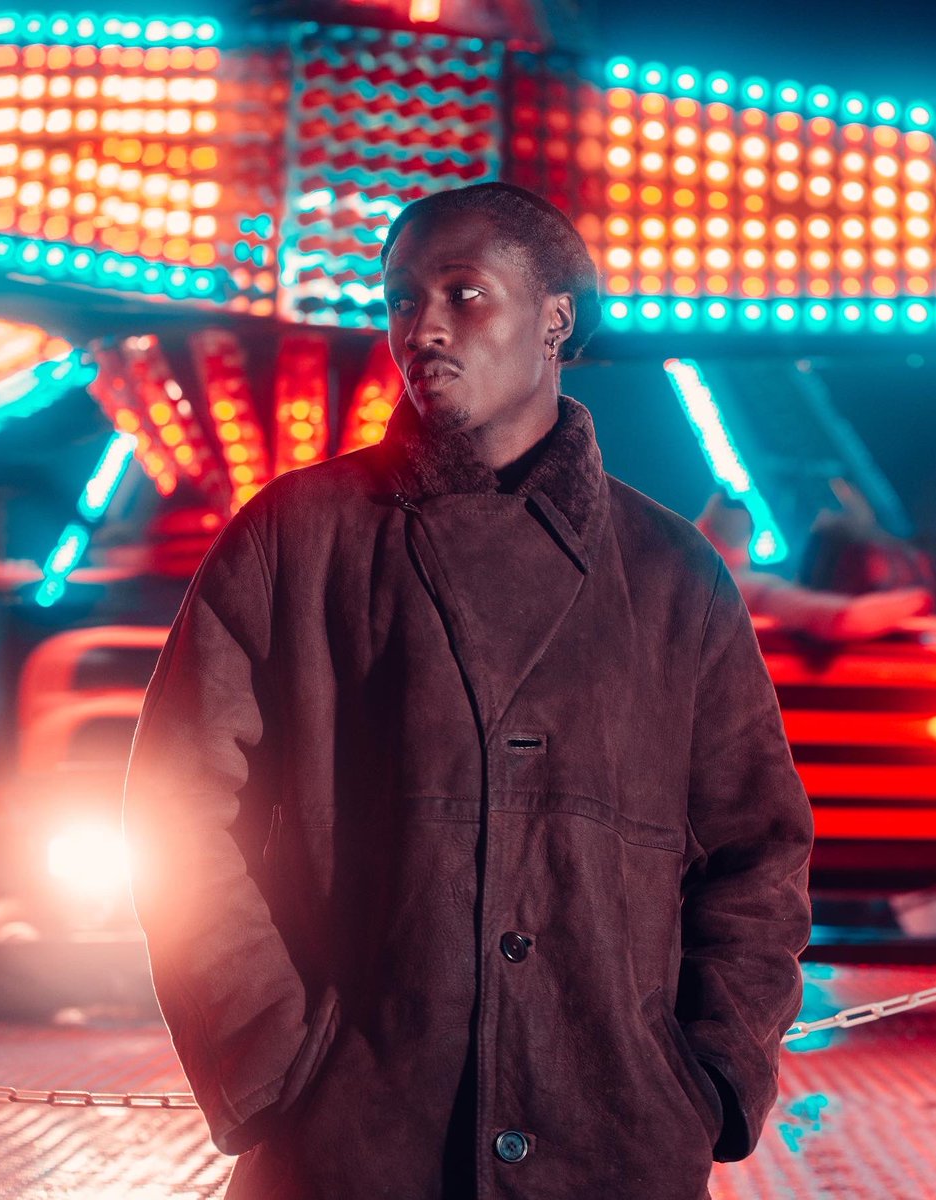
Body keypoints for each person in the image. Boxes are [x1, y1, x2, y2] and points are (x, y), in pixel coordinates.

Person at [123, 182, 814, 1200]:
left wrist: (707, 1076)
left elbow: (759, 850)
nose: (424, 327)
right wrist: (272, 1061)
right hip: (352, 1147)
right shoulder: (296, 538)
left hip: (613, 1146)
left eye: (464, 293)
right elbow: (173, 808)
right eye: (402, 299)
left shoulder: (670, 572)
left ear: (554, 320)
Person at [696, 488, 933, 641]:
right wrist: (924, 598)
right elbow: (843, 618)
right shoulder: (743, 587)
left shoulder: (695, 578)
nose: (823, 514)